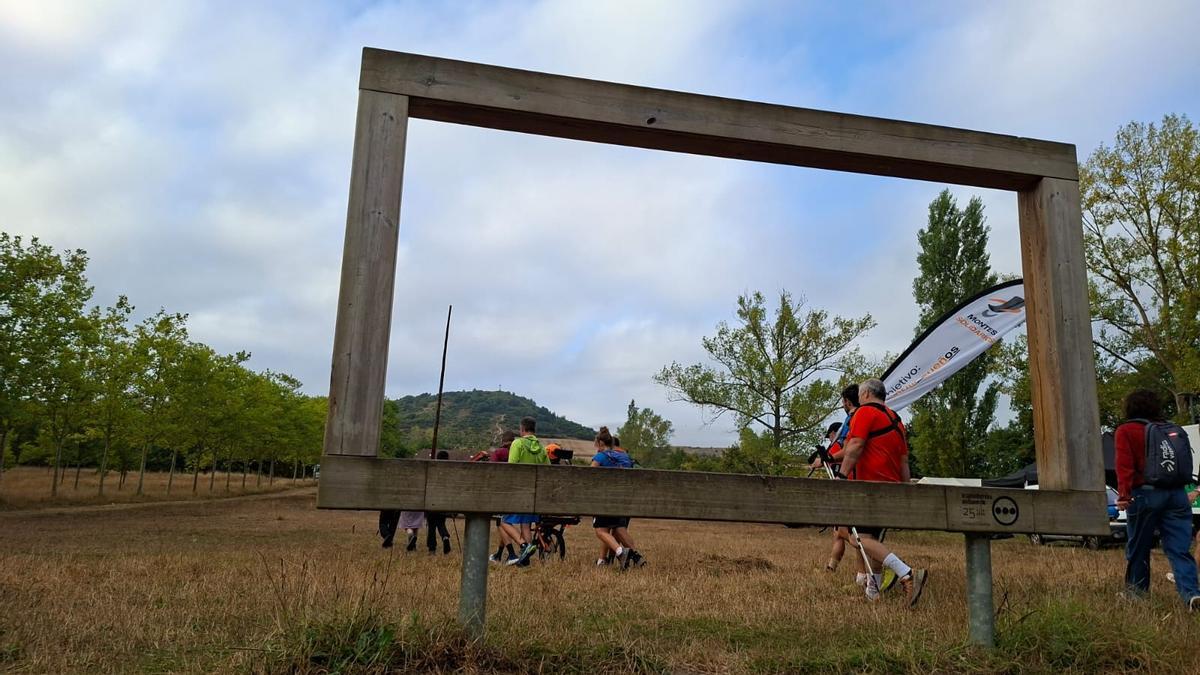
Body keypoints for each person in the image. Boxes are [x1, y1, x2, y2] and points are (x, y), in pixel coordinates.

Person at [837, 378, 928, 607]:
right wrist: (906, 490)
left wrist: (841, 477)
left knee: (857, 538)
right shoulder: (896, 419)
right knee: (873, 540)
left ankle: (906, 572)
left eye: (859, 394)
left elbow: (856, 445)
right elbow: (903, 460)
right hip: (890, 487)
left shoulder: (865, 412)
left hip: (867, 486)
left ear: (866, 394)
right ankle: (873, 595)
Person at [1114, 388, 1200, 609]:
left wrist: (1123, 496)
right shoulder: (1170, 428)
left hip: (1146, 494)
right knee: (1179, 549)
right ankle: (1191, 594)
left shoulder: (1127, 430)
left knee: (1139, 547)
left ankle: (1136, 594)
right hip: (1177, 494)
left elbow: (1124, 466)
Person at [590, 426, 645, 568]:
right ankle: (636, 557)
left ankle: (621, 552)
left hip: (605, 500)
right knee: (619, 528)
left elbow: (588, 475)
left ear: (601, 444)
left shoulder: (600, 456)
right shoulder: (625, 457)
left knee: (600, 530)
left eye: (597, 445)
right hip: (623, 500)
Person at [501, 417, 549, 567]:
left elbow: (511, 467)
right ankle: (525, 559)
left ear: (522, 429)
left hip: (519, 491)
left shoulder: (518, 443)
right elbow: (548, 468)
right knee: (526, 525)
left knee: (504, 521)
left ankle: (523, 545)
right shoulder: (541, 447)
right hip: (533, 493)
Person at [489, 430, 520, 564]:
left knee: (501, 523)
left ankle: (512, 554)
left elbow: (492, 471)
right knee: (506, 523)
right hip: (517, 491)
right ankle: (499, 555)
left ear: (503, 441)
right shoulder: (518, 452)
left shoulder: (498, 453)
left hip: (502, 493)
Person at [425, 450, 452, 555]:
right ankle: (445, 536)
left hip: (431, 501)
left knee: (431, 526)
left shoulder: (433, 469)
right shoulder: (448, 471)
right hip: (443, 502)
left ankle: (432, 548)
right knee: (441, 523)